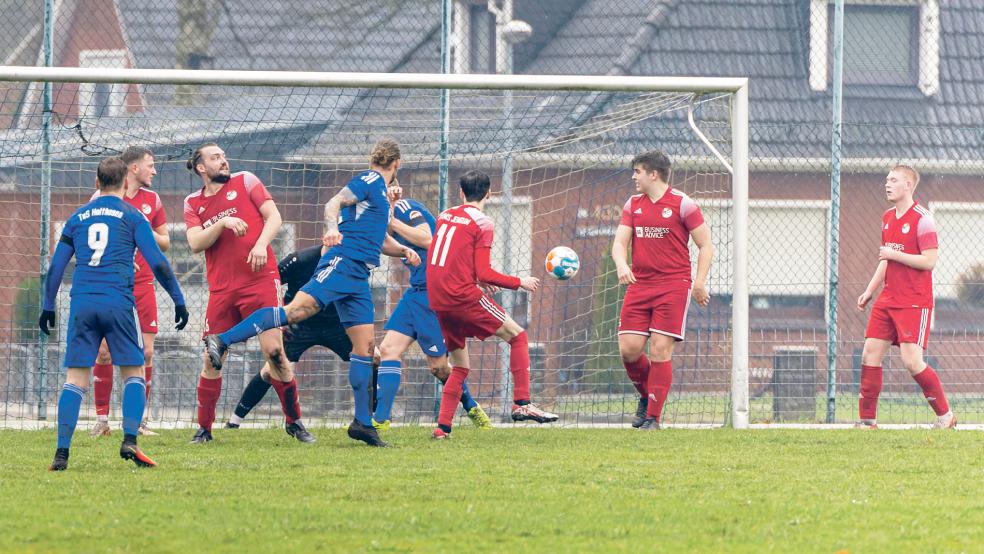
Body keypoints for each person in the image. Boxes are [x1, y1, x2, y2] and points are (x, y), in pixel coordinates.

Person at [204, 139, 421, 448]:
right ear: (397, 164)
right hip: (342, 262)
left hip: (359, 275)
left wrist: (403, 251)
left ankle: (362, 423)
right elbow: (332, 203)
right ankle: (222, 339)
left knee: (365, 349)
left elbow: (379, 240)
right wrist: (332, 228)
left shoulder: (380, 197)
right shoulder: (369, 179)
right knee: (296, 311)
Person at [39, 156, 189, 471]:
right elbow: (158, 261)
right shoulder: (133, 217)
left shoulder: (77, 218)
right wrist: (177, 298)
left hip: (82, 303)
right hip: (119, 303)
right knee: (134, 371)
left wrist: (48, 305)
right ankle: (130, 439)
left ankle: (62, 454)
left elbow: (55, 267)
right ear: (124, 183)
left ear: (96, 183)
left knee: (75, 379)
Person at [183, 143, 313, 444]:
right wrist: (223, 222)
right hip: (222, 289)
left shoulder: (247, 180)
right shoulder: (193, 203)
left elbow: (275, 218)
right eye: (215, 158)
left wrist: (259, 245)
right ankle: (204, 429)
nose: (223, 160)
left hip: (260, 281)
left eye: (223, 156)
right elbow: (195, 243)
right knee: (212, 359)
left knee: (275, 352)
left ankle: (295, 423)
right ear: (202, 168)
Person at [428, 170, 558, 440]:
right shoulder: (483, 222)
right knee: (518, 336)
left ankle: (442, 428)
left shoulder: (444, 215)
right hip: (461, 296)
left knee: (461, 366)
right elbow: (485, 272)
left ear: (460, 193)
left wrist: (475, 278)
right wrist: (519, 281)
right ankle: (522, 404)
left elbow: (457, 258)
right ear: (489, 193)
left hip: (439, 299)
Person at [373, 189, 491, 432]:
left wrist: (392, 219)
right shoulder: (380, 215)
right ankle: (381, 419)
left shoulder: (405, 208)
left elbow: (428, 239)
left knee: (439, 368)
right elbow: (384, 243)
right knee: (387, 350)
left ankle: (471, 406)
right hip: (415, 292)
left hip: (434, 293)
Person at [612, 150, 712, 430]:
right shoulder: (633, 204)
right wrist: (622, 265)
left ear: (653, 174)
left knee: (659, 348)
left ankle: (653, 418)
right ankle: (647, 396)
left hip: (673, 285)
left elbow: (706, 245)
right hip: (639, 284)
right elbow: (620, 243)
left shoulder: (684, 204)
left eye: (638, 171)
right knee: (629, 350)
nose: (634, 177)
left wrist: (699, 282)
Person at [856, 165, 955, 429]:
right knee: (869, 354)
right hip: (888, 299)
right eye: (886, 179)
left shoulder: (924, 219)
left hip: (914, 301)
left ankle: (945, 418)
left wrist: (893, 254)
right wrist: (869, 290)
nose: (887, 184)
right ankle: (867, 422)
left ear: (908, 185)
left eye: (894, 180)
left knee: (912, 362)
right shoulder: (887, 217)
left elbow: (929, 261)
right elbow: (886, 260)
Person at [224, 244, 351, 436]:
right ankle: (234, 422)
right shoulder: (301, 259)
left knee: (372, 357)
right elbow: (270, 285)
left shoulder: (349, 261)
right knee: (270, 371)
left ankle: (373, 419)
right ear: (326, 236)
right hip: (299, 326)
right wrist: (280, 320)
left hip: (335, 325)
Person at [89, 146, 168, 438]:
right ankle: (101, 420)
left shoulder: (153, 200)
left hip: (144, 284)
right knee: (105, 351)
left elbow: (166, 242)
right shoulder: (102, 197)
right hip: (112, 284)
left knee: (146, 352)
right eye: (150, 165)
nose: (154, 170)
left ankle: (140, 421)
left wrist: (145, 230)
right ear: (133, 168)